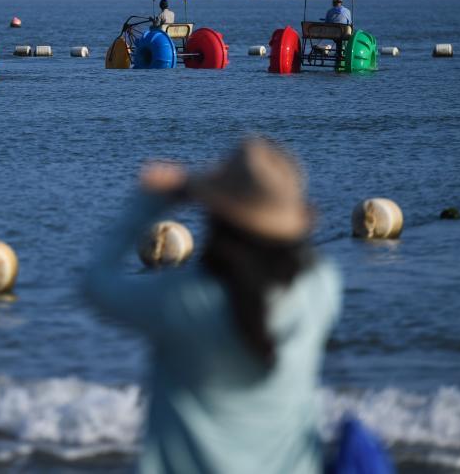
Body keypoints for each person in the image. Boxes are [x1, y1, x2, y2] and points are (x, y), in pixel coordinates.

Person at [82, 138, 341, 474]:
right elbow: (295, 254)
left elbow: (96, 283)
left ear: (217, 216)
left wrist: (148, 204)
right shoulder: (321, 286)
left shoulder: (182, 299)